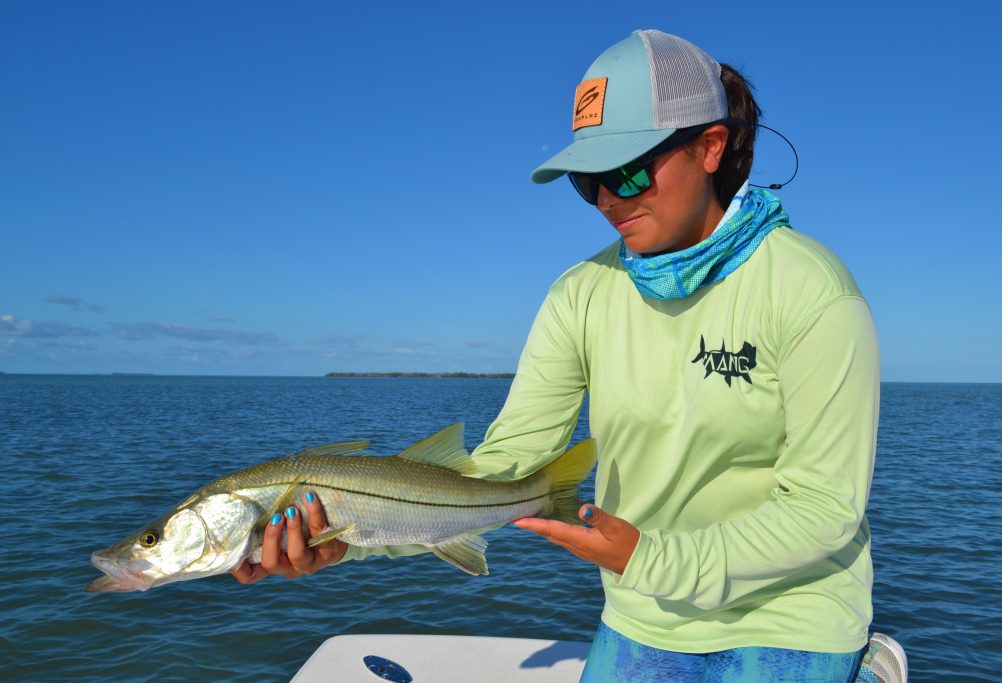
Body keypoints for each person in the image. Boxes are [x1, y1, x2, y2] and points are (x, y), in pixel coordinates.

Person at [233, 29, 908, 683]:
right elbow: (501, 467)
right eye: (588, 180)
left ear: (711, 146)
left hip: (792, 618)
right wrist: (350, 533)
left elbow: (823, 509)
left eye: (630, 168)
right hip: (640, 612)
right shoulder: (579, 295)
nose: (609, 198)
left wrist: (653, 558)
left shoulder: (811, 288)